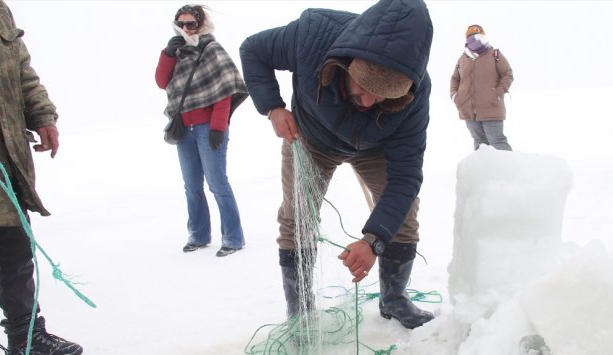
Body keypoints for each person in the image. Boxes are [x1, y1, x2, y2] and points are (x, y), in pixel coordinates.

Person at [239, 0, 435, 329]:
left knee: (404, 214)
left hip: (375, 146)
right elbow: (253, 50)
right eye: (363, 87)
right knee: (297, 217)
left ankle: (394, 298)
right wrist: (273, 107)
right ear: (347, 64)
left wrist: (374, 240)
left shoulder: (416, 93)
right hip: (311, 137)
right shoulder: (312, 35)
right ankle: (300, 312)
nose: (369, 102)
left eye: (383, 95)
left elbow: (405, 177)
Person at [0, 0, 83, 355]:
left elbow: (22, 71)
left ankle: (26, 336)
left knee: (15, 252)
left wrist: (42, 115)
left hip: (6, 160)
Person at [155, 4, 249, 256]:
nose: (186, 29)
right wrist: (167, 54)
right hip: (183, 128)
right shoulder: (176, 51)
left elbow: (224, 90)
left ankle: (233, 237)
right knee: (191, 184)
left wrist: (218, 127)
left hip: (209, 127)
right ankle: (198, 234)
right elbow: (161, 82)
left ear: (201, 24)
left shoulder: (211, 48)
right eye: (181, 24)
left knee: (217, 182)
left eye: (191, 24)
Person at [450, 24, 514, 151]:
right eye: (473, 36)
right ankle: (484, 170)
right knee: (480, 143)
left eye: (480, 35)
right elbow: (455, 79)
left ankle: (508, 169)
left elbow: (507, 74)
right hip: (468, 110)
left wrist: (497, 93)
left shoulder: (494, 54)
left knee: (497, 141)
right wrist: (455, 96)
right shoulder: (463, 58)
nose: (477, 39)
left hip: (491, 107)